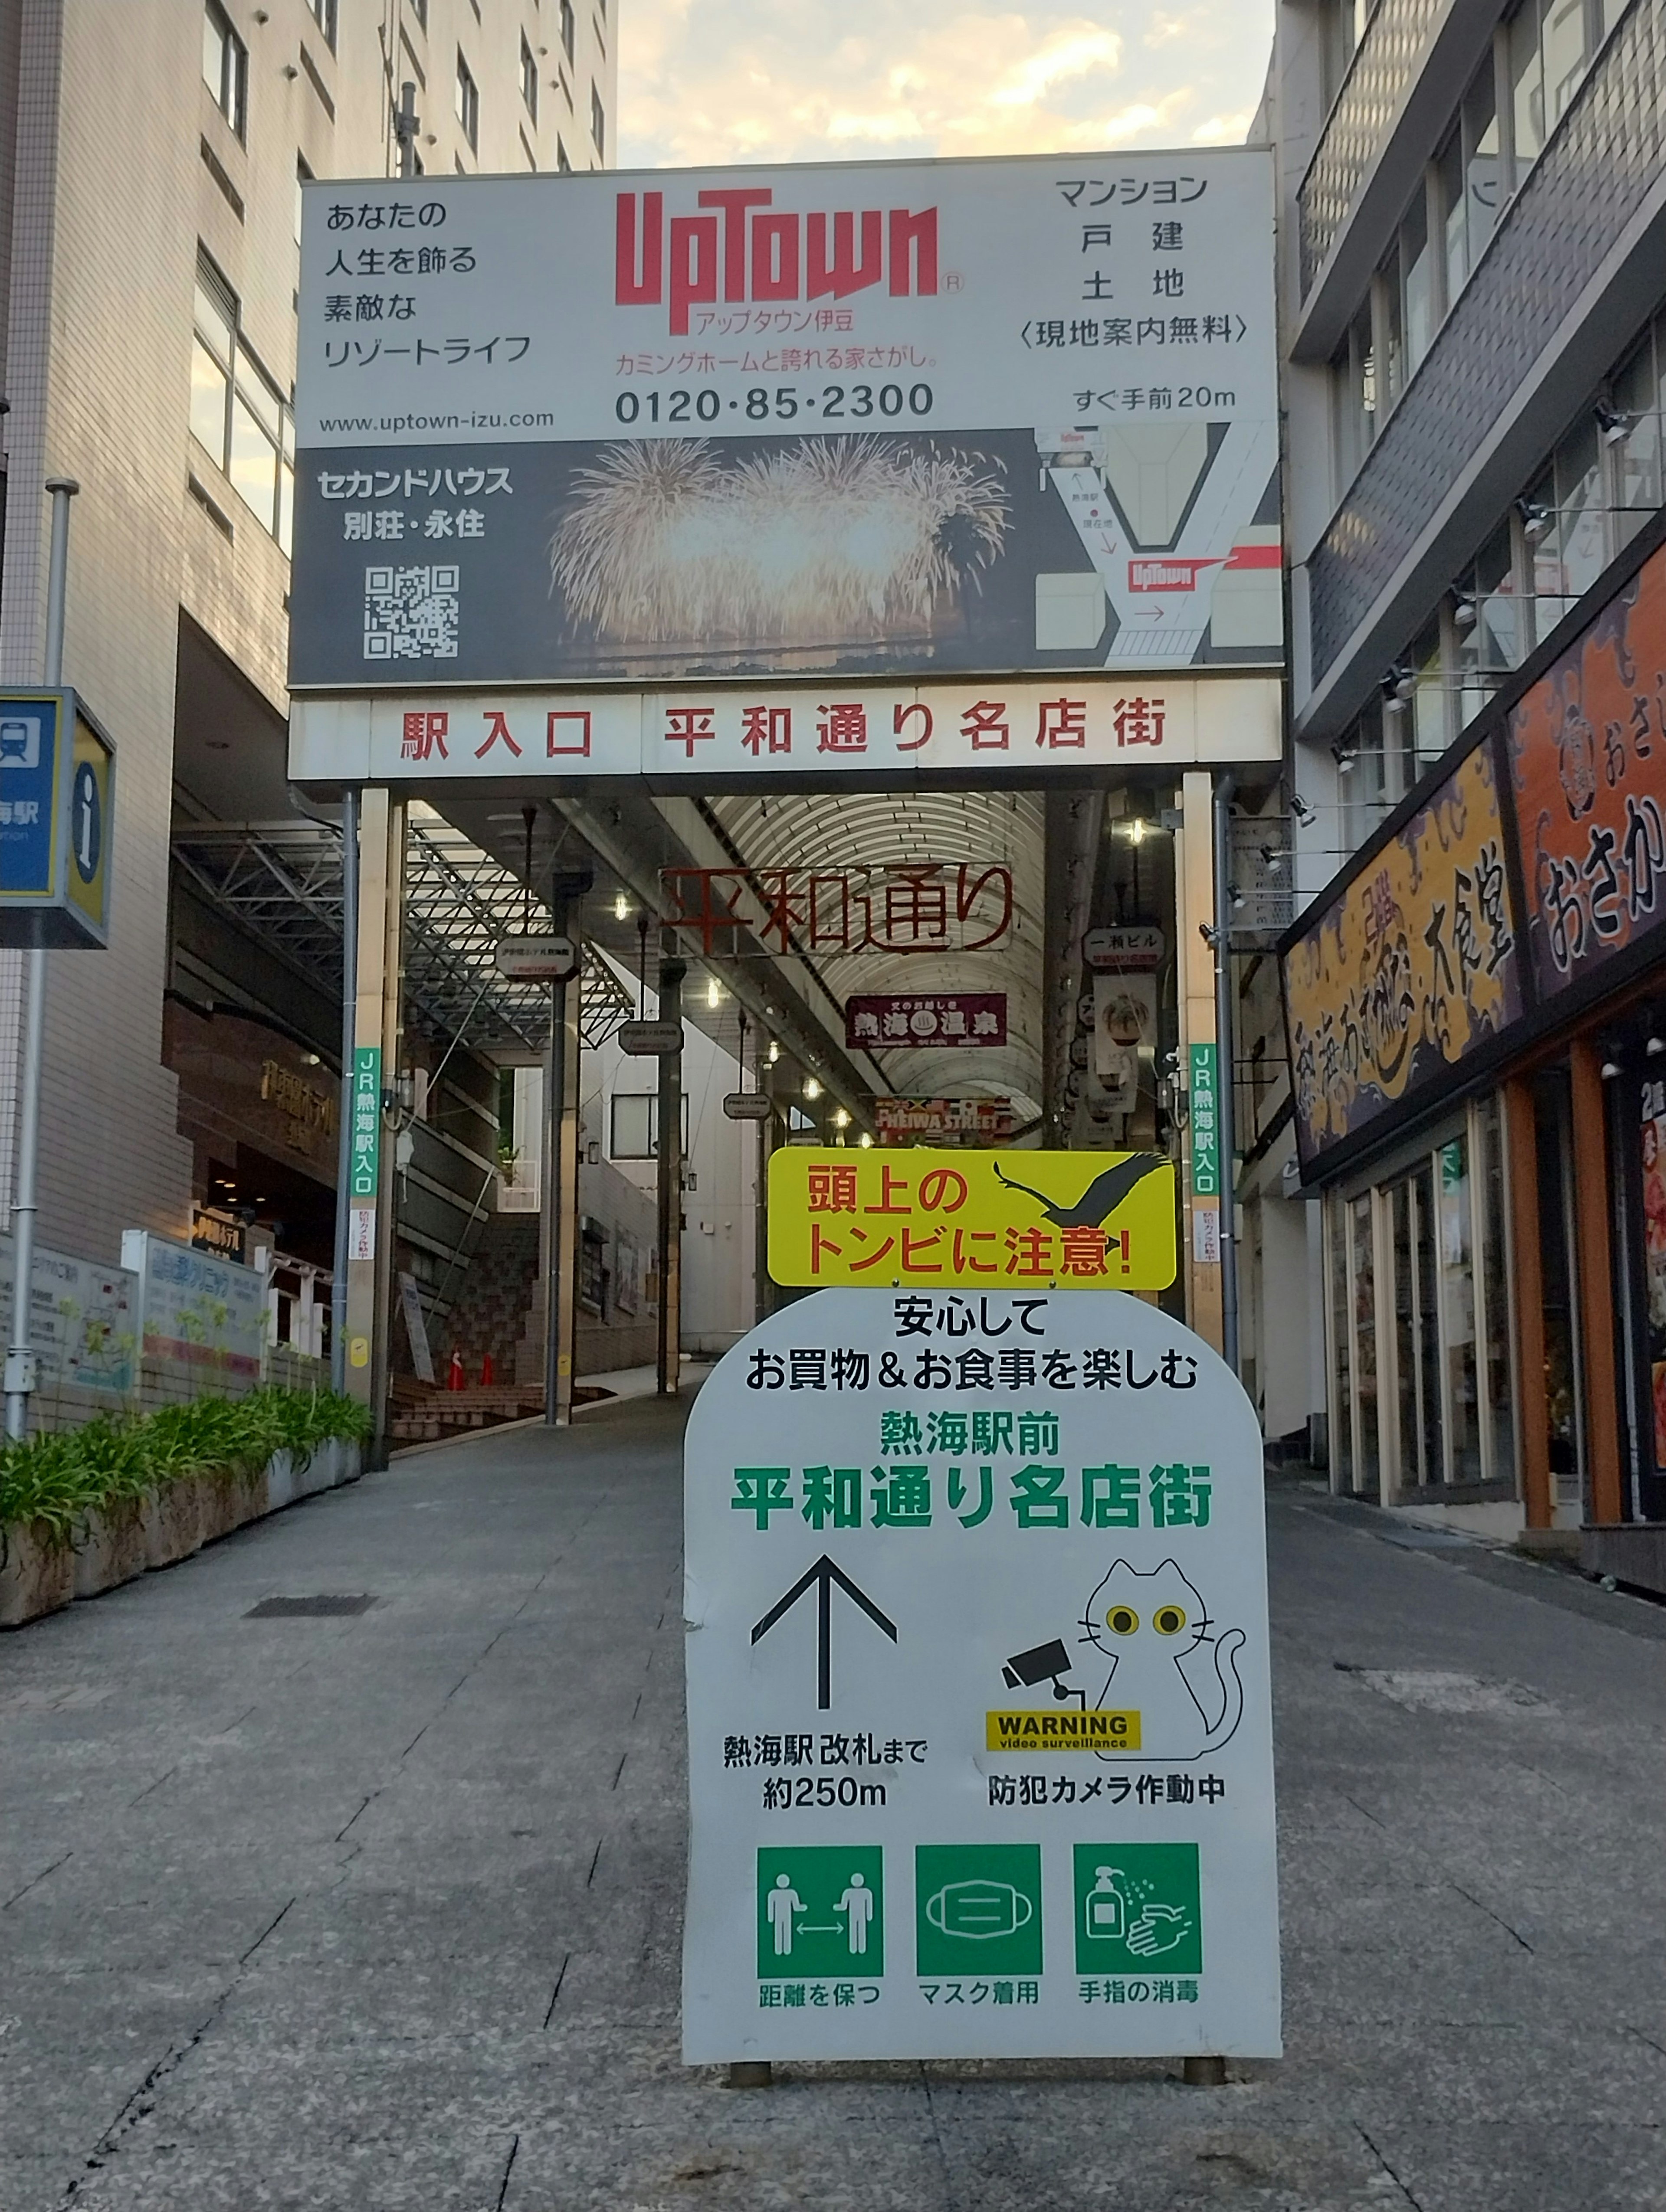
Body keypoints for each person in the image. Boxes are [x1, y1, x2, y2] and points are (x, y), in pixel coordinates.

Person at [836, 1869, 874, 1956]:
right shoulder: (849, 1892)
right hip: (854, 1916)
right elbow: (844, 1906)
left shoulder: (866, 1893)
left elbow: (869, 1905)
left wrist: (869, 1916)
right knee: (855, 1929)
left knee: (859, 1929)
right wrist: (838, 1907)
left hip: (859, 1916)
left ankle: (861, 1948)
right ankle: (855, 1948)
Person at [767, 1871, 803, 1956]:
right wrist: (771, 1917)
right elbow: (771, 1906)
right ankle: (782, 1950)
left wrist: (771, 1918)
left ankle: (783, 1950)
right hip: (783, 1916)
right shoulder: (775, 1894)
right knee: (784, 1931)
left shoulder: (790, 1893)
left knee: (782, 1931)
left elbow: (796, 1907)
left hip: (784, 1916)